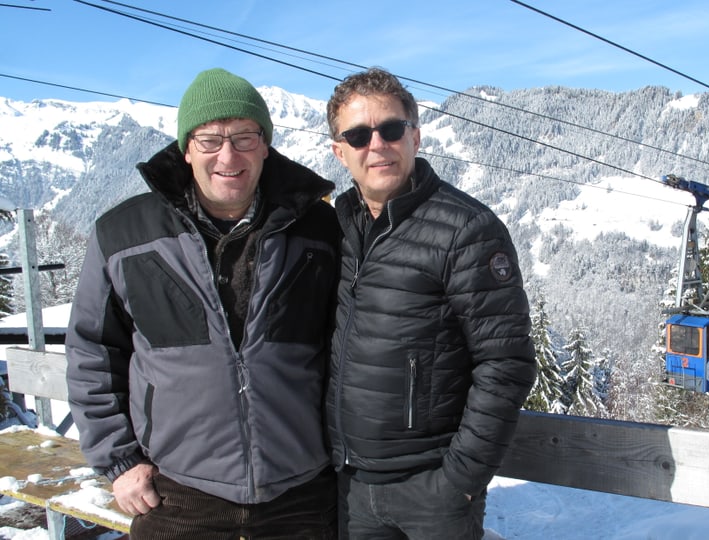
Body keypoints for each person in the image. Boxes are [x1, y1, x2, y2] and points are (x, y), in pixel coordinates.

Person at [65, 68, 340, 540]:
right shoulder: (124, 235)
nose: (228, 155)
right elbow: (93, 350)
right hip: (176, 492)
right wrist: (119, 461)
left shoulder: (319, 230)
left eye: (244, 137)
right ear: (186, 149)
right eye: (210, 139)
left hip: (301, 492)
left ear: (266, 144)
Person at [325, 67, 537, 539]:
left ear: (415, 137)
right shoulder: (335, 229)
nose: (377, 144)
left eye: (391, 129)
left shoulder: (467, 230)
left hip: (432, 491)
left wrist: (458, 482)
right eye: (358, 135)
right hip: (352, 486)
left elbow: (506, 363)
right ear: (340, 152)